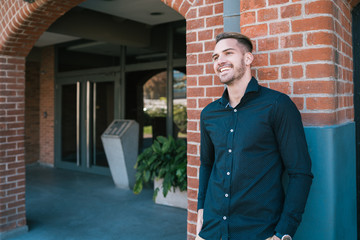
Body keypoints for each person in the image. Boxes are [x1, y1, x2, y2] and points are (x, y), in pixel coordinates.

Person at [196, 32, 313, 240]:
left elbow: (300, 172)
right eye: (215, 57)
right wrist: (201, 211)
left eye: (228, 53)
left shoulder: (277, 105)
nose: (220, 61)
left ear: (248, 58)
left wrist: (283, 233)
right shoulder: (209, 114)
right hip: (211, 231)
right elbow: (207, 164)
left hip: (258, 232)